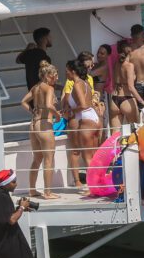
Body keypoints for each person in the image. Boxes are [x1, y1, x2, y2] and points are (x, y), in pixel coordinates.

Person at [21, 61, 60, 200]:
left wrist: (32, 111)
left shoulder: (35, 87)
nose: (57, 78)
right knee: (49, 159)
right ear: (48, 76)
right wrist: (57, 114)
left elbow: (23, 102)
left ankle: (32, 190)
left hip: (33, 124)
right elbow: (49, 105)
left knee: (37, 159)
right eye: (55, 75)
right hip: (43, 124)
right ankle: (48, 192)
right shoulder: (48, 88)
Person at [65, 60, 101, 194]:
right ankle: (98, 184)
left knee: (87, 157)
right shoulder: (85, 83)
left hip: (86, 119)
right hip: (94, 118)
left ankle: (93, 188)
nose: (65, 73)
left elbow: (83, 105)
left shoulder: (77, 85)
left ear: (73, 71)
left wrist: (71, 111)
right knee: (93, 155)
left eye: (67, 70)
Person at [110, 41, 144, 127]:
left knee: (115, 134)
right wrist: (142, 101)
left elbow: (114, 83)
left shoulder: (116, 65)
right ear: (130, 52)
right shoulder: (129, 66)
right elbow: (131, 87)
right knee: (135, 130)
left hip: (114, 99)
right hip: (127, 98)